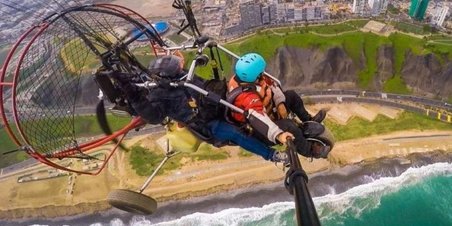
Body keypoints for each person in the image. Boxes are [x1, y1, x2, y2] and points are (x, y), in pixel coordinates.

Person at [115, 54, 292, 164]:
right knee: (237, 133)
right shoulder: (160, 96)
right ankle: (272, 155)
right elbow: (152, 116)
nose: (180, 70)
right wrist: (133, 95)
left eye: (179, 67)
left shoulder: (183, 76)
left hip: (216, 103)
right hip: (207, 123)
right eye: (177, 68)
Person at [227, 53, 331, 159]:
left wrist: (280, 103)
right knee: (289, 126)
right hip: (259, 130)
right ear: (255, 76)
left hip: (269, 112)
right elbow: (259, 119)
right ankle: (309, 151)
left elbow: (272, 86)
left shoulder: (252, 79)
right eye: (261, 73)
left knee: (291, 95)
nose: (263, 74)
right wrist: (278, 135)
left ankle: (308, 120)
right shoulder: (246, 98)